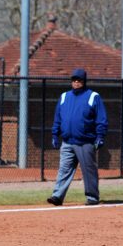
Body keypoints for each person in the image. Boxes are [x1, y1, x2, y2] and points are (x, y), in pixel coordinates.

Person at [47, 68, 108, 206]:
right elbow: (58, 118)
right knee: (64, 169)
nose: (76, 82)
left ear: (84, 81)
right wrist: (55, 134)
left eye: (79, 80)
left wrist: (100, 136)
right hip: (67, 141)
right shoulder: (64, 97)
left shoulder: (93, 96)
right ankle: (57, 196)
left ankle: (92, 196)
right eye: (74, 80)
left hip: (85, 141)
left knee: (88, 170)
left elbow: (101, 119)